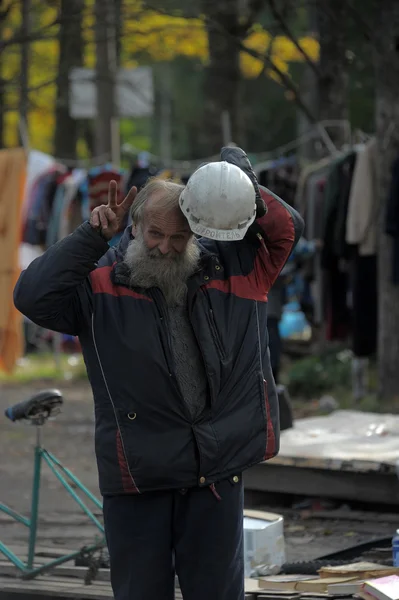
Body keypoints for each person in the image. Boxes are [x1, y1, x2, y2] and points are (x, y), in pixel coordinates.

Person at [14, 148, 303, 600]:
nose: (165, 247)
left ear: (197, 231)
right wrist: (91, 236)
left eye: (178, 236)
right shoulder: (98, 285)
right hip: (139, 476)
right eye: (154, 234)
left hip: (216, 473)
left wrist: (238, 184)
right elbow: (31, 296)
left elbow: (287, 230)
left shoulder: (236, 270)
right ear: (133, 227)